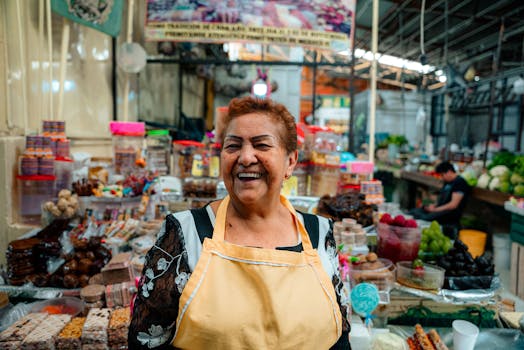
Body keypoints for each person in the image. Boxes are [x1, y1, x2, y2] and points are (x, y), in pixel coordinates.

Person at [128, 96, 350, 349]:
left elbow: (339, 337)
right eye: (233, 146)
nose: (245, 157)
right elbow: (146, 342)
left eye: (261, 145)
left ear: (290, 161)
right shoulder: (183, 235)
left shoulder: (320, 233)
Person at [411, 161, 470, 230]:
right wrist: (433, 205)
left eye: (442, 175)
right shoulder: (447, 182)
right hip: (440, 209)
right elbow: (441, 200)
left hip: (450, 214)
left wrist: (435, 210)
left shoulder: (460, 183)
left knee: (424, 218)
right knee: (414, 212)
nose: (441, 178)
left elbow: (453, 205)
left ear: (449, 172)